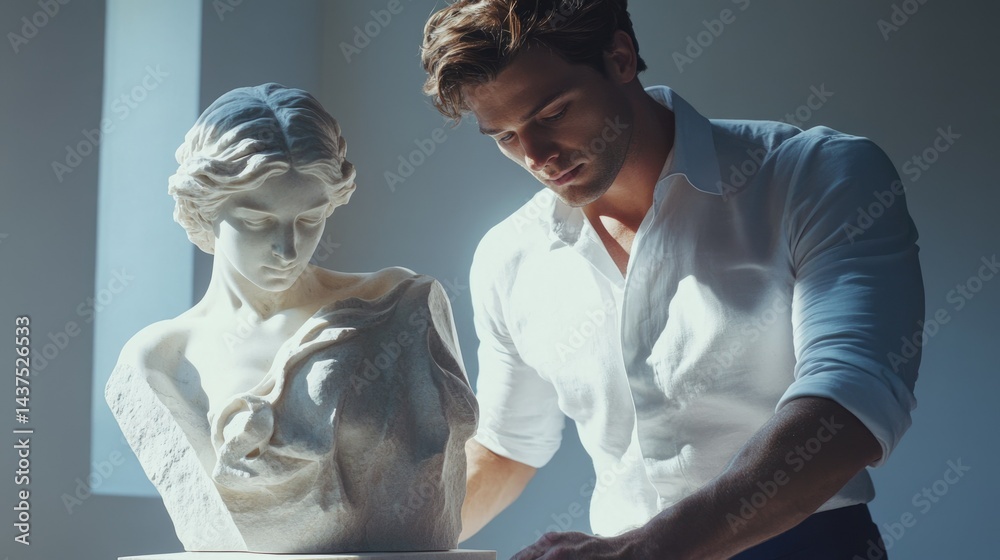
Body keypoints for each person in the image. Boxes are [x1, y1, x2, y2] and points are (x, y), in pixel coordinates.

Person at [420, 1, 922, 558]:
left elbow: (850, 404)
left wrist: (646, 550)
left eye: (553, 113)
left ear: (620, 57)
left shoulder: (815, 176)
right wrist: (366, 541)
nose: (537, 156)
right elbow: (508, 447)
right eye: (506, 137)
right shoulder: (507, 256)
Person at [105, 83, 478, 553]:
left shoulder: (394, 306)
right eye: (258, 222)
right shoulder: (159, 359)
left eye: (309, 219)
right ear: (203, 208)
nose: (288, 249)